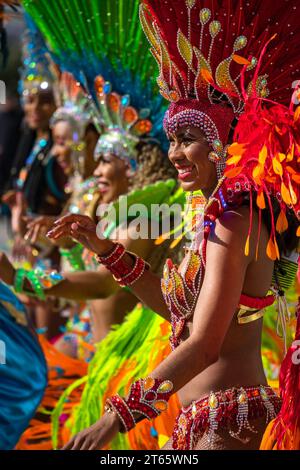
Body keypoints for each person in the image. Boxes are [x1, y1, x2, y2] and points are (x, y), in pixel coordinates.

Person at [46, 0, 300, 451]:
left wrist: (116, 418)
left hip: (228, 422)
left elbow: (204, 345)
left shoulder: (236, 217)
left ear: (221, 144)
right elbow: (177, 313)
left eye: (188, 139)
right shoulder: (211, 213)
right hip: (199, 421)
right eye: (172, 140)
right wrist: (105, 249)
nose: (174, 153)